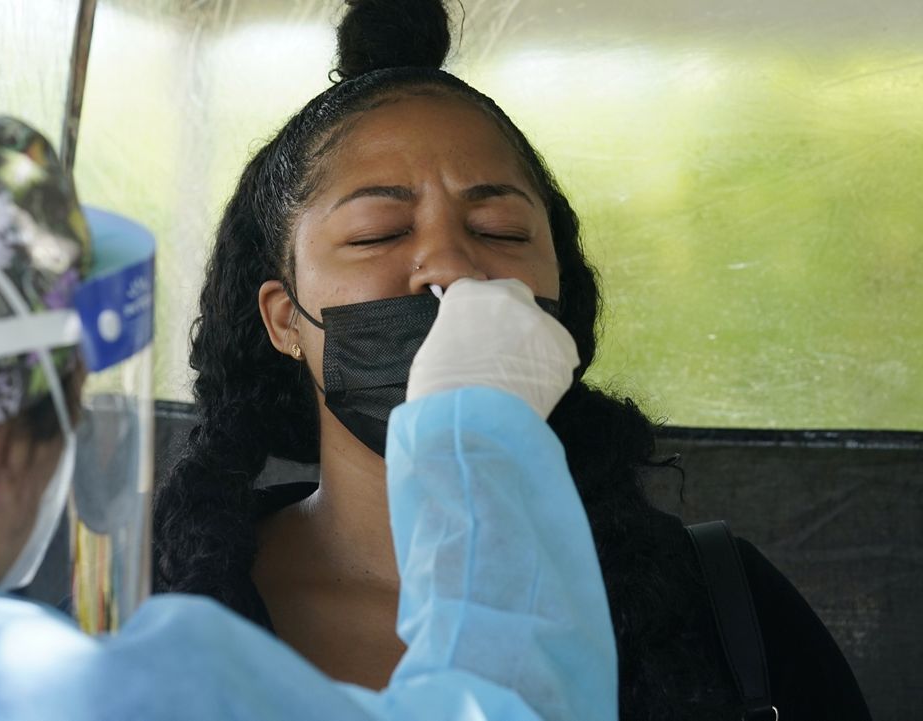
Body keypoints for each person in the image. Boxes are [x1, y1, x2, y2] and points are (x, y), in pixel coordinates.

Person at [0, 90, 619, 721]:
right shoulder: (109, 691)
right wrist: (477, 437)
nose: (448, 266)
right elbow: (509, 705)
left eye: (494, 225)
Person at [152, 1, 873, 719]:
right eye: (378, 232)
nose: (452, 267)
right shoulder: (151, 616)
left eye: (499, 228)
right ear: (283, 318)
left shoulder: (727, 609)